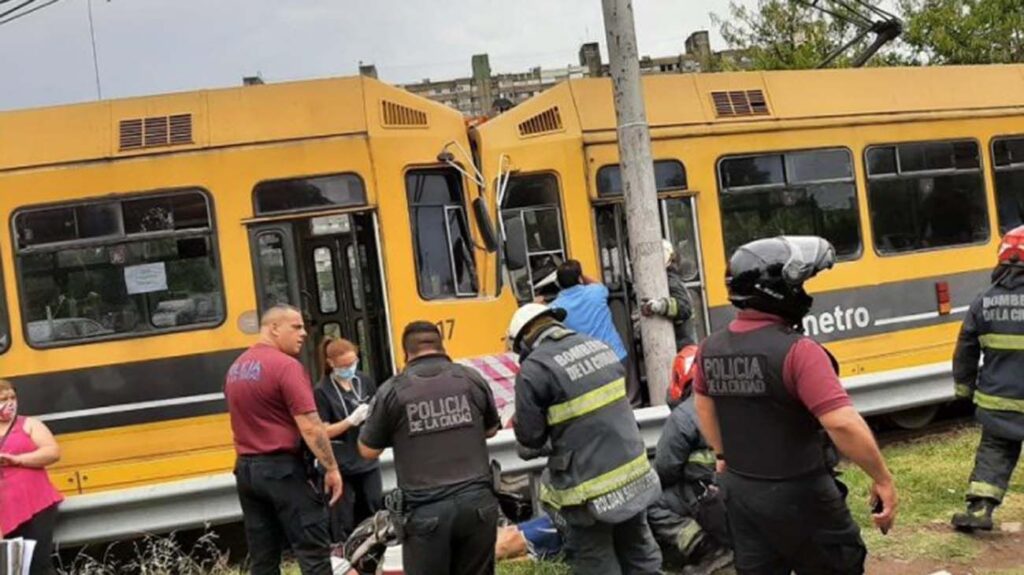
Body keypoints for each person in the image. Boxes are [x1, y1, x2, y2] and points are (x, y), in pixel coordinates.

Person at [694, 236, 897, 575]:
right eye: (798, 284)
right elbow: (842, 423)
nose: (803, 292)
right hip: (802, 495)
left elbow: (704, 405)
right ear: (776, 291)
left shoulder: (708, 348)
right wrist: (883, 478)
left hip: (742, 494)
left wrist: (723, 456)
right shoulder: (799, 352)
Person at [509, 303, 662, 575]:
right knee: (639, 552)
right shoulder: (598, 346)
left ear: (524, 339)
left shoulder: (534, 369)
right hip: (634, 477)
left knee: (595, 560)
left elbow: (530, 440)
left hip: (588, 492)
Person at [358, 321, 502, 575]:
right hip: (478, 505)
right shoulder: (470, 379)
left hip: (426, 511)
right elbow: (491, 430)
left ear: (406, 352)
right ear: (441, 345)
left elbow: (368, 450)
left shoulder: (393, 390)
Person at [224, 304, 343, 575]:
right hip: (284, 472)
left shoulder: (237, 368)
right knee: (313, 554)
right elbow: (311, 427)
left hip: (247, 471)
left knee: (263, 558)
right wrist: (332, 468)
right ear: (274, 328)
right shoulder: (286, 367)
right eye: (296, 327)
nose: (304, 333)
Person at [951, 224, 1024, 531]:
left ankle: (980, 508)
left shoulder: (984, 300)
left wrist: (963, 391)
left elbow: (965, 349)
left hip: (998, 402)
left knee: (994, 452)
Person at [647, 361, 732, 573]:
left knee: (651, 503)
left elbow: (665, 470)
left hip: (708, 499)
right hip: (746, 492)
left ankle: (707, 549)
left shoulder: (684, 416)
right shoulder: (737, 400)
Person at [314, 337, 383, 543]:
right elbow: (322, 432)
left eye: (353, 363)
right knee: (341, 520)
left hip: (366, 460)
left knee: (373, 510)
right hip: (340, 464)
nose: (350, 368)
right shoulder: (322, 391)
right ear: (330, 363)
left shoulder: (364, 381)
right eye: (344, 365)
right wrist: (350, 421)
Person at [548, 260, 641, 407]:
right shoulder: (596, 292)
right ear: (579, 278)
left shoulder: (555, 307)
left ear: (558, 284)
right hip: (616, 355)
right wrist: (580, 275)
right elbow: (597, 283)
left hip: (588, 366)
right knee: (631, 401)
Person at [0, 379, 64, 575]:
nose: (9, 403)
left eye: (12, 397)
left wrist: (17, 460)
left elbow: (53, 452)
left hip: (35, 504)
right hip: (4, 510)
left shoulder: (29, 424)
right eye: (3, 399)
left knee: (38, 565)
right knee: (10, 569)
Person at [641, 239, 697, 351]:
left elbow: (684, 308)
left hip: (682, 346)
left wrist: (659, 306)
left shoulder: (671, 280)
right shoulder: (667, 278)